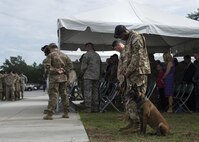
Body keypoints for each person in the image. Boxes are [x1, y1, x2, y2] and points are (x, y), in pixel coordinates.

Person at [113, 25, 151, 132]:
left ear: (125, 31)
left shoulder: (136, 38)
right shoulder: (129, 40)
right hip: (131, 74)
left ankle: (138, 125)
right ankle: (132, 122)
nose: (121, 39)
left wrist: (127, 72)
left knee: (137, 99)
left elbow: (136, 58)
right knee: (129, 98)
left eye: (121, 36)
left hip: (138, 73)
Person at [43, 43, 73, 120]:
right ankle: (66, 113)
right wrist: (64, 70)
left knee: (53, 95)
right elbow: (70, 66)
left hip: (54, 78)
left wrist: (56, 70)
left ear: (50, 48)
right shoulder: (65, 55)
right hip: (64, 78)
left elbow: (47, 66)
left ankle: (50, 114)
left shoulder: (51, 55)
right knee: (64, 95)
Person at [80, 42, 101, 113]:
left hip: (88, 76)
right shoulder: (97, 55)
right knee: (95, 92)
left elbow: (83, 67)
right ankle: (95, 107)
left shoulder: (86, 55)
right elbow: (100, 66)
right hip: (96, 76)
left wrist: (81, 74)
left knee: (87, 92)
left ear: (88, 47)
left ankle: (88, 108)